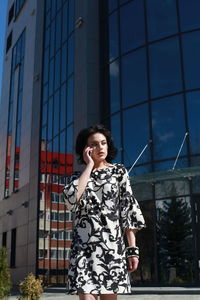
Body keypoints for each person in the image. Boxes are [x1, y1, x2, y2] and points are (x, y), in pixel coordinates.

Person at [63, 124, 146, 300]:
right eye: (94, 144)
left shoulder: (118, 172)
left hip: (111, 247)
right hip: (83, 248)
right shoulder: (77, 178)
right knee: (86, 297)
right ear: (86, 149)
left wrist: (132, 249)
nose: (100, 147)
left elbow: (127, 209)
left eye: (103, 143)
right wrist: (89, 166)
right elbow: (71, 201)